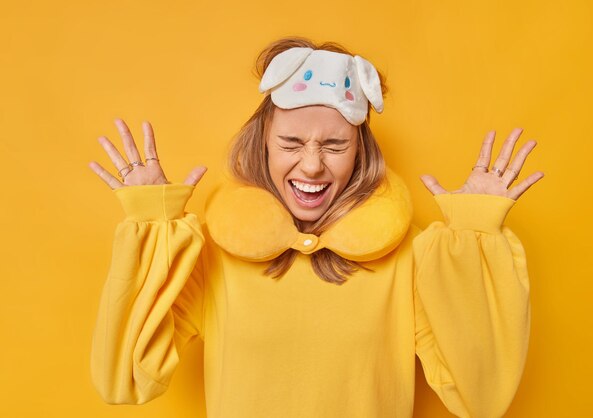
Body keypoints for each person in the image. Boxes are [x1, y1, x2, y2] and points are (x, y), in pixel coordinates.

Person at [88, 37, 543, 418]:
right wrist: (150, 226)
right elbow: (125, 377)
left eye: (334, 145)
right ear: (262, 144)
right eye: (290, 142)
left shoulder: (412, 254)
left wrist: (476, 237)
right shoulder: (213, 252)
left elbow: (479, 392)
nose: (312, 165)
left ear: (360, 153)